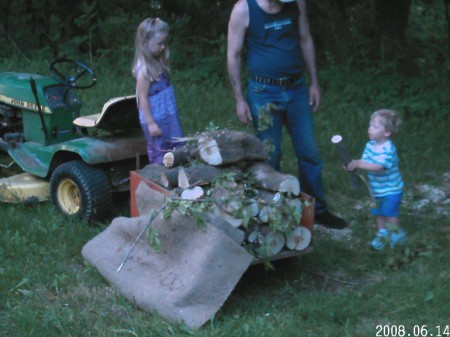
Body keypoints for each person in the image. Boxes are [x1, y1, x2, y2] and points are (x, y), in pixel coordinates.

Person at [227, 0, 347, 228]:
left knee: (309, 152)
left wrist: (315, 83)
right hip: (263, 93)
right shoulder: (244, 9)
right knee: (269, 155)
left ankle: (317, 209)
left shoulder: (295, 3)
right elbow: (233, 55)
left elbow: (305, 39)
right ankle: (274, 211)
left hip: (296, 89)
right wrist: (239, 99)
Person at [346, 109, 406, 250]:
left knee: (389, 214)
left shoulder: (388, 149)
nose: (370, 128)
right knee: (379, 213)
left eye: (375, 126)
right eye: (370, 125)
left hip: (392, 189)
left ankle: (397, 234)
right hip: (377, 190)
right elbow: (365, 161)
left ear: (387, 132)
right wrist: (354, 164)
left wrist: (360, 164)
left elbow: (378, 166)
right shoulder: (370, 145)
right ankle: (382, 234)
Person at [132, 18, 184, 165]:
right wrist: (151, 123)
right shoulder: (144, 71)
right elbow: (143, 98)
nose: (163, 47)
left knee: (176, 146)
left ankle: (177, 171)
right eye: (159, 43)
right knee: (161, 151)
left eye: (164, 43)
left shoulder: (157, 62)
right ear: (145, 42)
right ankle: (159, 177)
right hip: (156, 118)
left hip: (168, 114)